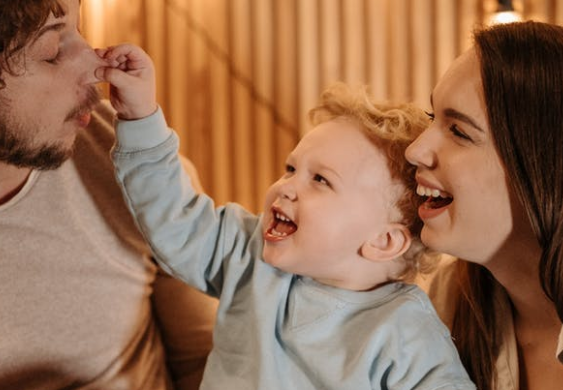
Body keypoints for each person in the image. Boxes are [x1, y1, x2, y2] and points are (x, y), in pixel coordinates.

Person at [95, 43, 476, 389]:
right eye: (290, 169)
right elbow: (173, 216)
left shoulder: (407, 335)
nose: (286, 187)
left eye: (321, 180)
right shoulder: (248, 254)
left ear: (383, 240)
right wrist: (141, 117)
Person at [0, 0, 216, 389]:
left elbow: (207, 361)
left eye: (80, 27)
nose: (98, 66)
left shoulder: (132, 163)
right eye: (52, 49)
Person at [405, 20, 563, 390]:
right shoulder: (447, 301)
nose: (414, 150)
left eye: (459, 131)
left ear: (544, 169)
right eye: (433, 118)